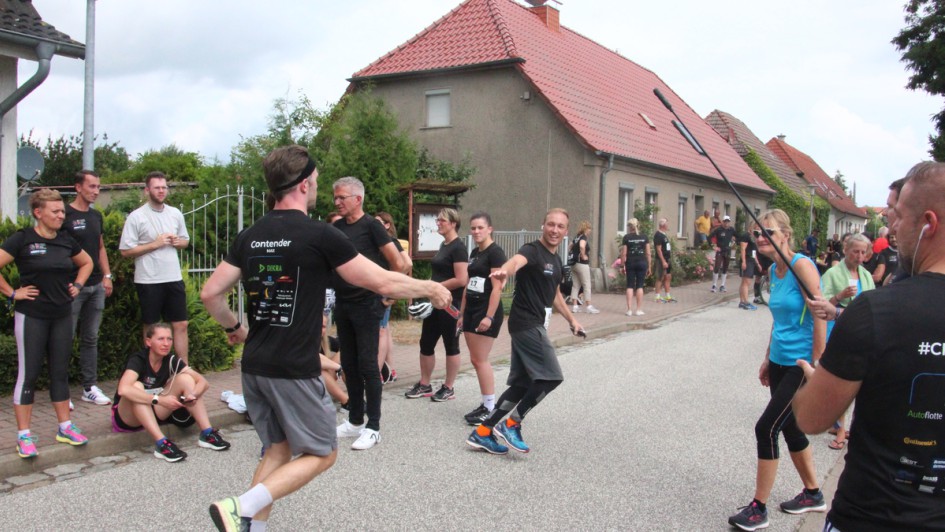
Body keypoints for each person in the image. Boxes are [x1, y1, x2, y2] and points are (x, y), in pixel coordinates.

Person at [201, 145, 450, 531]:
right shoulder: (320, 234)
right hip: (294, 368)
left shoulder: (250, 235)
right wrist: (430, 289)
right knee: (323, 453)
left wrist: (235, 329)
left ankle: (251, 526)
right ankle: (240, 506)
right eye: (316, 182)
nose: (318, 188)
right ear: (303, 185)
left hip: (255, 364)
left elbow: (210, 294)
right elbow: (380, 279)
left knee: (279, 448)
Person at [795, 162, 945, 531]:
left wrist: (812, 381)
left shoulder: (878, 309)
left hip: (872, 516)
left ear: (929, 223)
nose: (892, 229)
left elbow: (812, 419)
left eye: (900, 218)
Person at [727, 209, 827, 531]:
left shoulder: (801, 266)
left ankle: (759, 508)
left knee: (766, 427)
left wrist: (817, 365)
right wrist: (767, 358)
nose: (760, 238)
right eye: (757, 233)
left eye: (767, 232)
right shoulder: (775, 271)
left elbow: (820, 314)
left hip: (801, 364)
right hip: (781, 360)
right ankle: (813, 493)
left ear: (785, 234)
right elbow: (779, 319)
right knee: (790, 429)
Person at [466, 208, 585, 455]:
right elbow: (515, 262)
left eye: (560, 226)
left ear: (566, 231)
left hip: (533, 324)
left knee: (521, 384)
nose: (554, 230)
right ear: (542, 225)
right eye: (550, 224)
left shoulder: (555, 260)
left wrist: (573, 320)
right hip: (526, 323)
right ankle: (511, 424)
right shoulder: (532, 250)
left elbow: (555, 296)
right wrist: (505, 271)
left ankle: (483, 432)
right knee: (551, 377)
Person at [0, 189, 93, 459]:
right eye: (56, 211)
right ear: (38, 213)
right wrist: (12, 292)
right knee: (28, 375)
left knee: (60, 372)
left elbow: (87, 262)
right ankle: (24, 436)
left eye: (63, 211)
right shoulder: (23, 239)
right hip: (32, 315)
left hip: (62, 314)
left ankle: (65, 427)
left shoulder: (66, 240)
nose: (61, 215)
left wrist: (77, 285)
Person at [330, 176, 404, 450]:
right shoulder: (337, 227)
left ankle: (373, 427)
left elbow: (398, 262)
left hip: (367, 305)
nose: (337, 202)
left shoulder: (372, 226)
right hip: (344, 304)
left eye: (342, 198)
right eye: (335, 198)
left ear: (357, 199)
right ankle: (355, 420)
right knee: (348, 365)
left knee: (369, 366)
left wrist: (387, 297)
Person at [112, 322, 230, 462]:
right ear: (149, 342)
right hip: (128, 417)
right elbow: (123, 389)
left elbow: (203, 382)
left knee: (186, 379)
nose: (166, 343)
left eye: (169, 339)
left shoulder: (171, 360)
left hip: (154, 411)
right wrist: (159, 400)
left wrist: (192, 395)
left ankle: (207, 433)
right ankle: (162, 444)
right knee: (136, 386)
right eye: (161, 339)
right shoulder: (138, 359)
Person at [119, 171, 191, 361]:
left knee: (181, 324)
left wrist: (177, 242)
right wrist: (155, 244)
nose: (161, 191)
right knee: (152, 327)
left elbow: (185, 241)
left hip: (173, 277)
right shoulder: (136, 216)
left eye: (164, 187)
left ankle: (183, 368)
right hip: (149, 280)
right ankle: (153, 369)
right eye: (157, 188)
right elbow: (125, 251)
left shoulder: (175, 213)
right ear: (147, 190)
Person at [405, 207, 468, 402]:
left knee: (451, 345)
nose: (438, 223)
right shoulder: (444, 245)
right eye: (438, 220)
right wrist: (429, 289)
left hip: (450, 304)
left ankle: (448, 387)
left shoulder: (458, 247)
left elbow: (461, 279)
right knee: (426, 343)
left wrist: (434, 287)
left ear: (453, 223)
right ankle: (425, 384)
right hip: (435, 302)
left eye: (442, 221)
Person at [818, 232, 874, 450]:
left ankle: (839, 424)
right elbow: (821, 304)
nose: (859, 256)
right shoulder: (832, 274)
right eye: (855, 252)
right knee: (843, 379)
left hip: (862, 334)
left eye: (863, 252)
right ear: (846, 251)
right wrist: (839, 296)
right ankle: (841, 430)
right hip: (839, 332)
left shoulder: (865, 275)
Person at [65, 170, 115, 406]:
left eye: (98, 187)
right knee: (64, 338)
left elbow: (101, 247)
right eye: (92, 186)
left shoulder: (96, 217)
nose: (96, 191)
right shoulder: (63, 214)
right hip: (72, 286)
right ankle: (60, 392)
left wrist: (107, 275)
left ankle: (89, 387)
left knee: (91, 338)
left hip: (96, 285)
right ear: (78, 187)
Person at [458, 212, 507, 425]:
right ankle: (486, 403)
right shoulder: (475, 252)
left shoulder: (495, 253)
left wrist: (489, 316)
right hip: (471, 309)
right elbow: (468, 284)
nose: (476, 232)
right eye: (473, 228)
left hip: (486, 310)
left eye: (480, 228)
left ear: (490, 229)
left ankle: (490, 408)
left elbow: (497, 288)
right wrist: (461, 313)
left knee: (481, 360)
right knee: (475, 359)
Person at [375, 211, 412, 383]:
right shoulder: (379, 241)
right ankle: (389, 370)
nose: (374, 226)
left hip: (384, 289)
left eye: (378, 222)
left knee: (381, 331)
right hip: (380, 288)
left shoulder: (390, 240)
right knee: (385, 330)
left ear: (387, 225)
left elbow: (407, 263)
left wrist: (393, 281)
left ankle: (377, 374)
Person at [620, 218, 650, 316]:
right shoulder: (644, 237)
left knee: (629, 285)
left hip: (630, 263)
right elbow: (648, 253)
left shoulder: (626, 237)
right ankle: (638, 310)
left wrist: (622, 265)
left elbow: (624, 253)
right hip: (642, 263)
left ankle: (629, 310)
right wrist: (649, 266)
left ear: (630, 227)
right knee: (640, 286)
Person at [569, 220, 599, 314]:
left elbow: (570, 246)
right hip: (582, 264)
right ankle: (589, 306)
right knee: (586, 284)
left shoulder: (577, 237)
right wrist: (583, 255)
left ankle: (574, 306)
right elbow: (582, 246)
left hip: (574, 264)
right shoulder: (583, 237)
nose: (590, 230)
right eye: (589, 228)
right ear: (586, 229)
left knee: (575, 285)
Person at [737, 223, 762, 310]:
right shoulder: (746, 236)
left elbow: (754, 252)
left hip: (751, 260)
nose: (757, 229)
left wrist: (757, 263)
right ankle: (745, 302)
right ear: (751, 227)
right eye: (756, 227)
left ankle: (742, 301)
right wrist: (743, 262)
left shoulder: (753, 237)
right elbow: (743, 249)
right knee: (746, 282)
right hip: (747, 260)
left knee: (745, 282)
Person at [709, 215, 736, 292]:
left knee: (725, 267)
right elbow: (709, 237)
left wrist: (734, 242)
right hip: (720, 251)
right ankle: (714, 285)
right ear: (723, 222)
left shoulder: (731, 230)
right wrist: (713, 246)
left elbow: (738, 236)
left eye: (728, 222)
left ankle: (722, 285)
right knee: (717, 266)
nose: (726, 223)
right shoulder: (719, 230)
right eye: (725, 221)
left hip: (727, 251)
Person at [653, 218, 676, 303]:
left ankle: (668, 295)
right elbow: (658, 249)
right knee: (660, 277)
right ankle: (657, 296)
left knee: (668, 276)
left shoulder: (664, 234)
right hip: (661, 260)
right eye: (667, 224)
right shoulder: (658, 235)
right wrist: (663, 261)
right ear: (663, 225)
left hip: (667, 258)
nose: (668, 225)